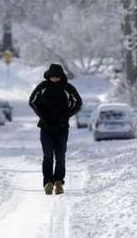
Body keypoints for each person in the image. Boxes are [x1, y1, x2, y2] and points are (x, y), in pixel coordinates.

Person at [29, 64, 82, 195]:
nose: (55, 79)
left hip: (62, 128)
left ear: (61, 76)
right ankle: (48, 182)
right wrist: (42, 115)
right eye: (52, 77)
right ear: (49, 76)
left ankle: (58, 181)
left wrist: (66, 116)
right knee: (47, 155)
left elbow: (78, 103)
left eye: (57, 77)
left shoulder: (67, 88)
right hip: (45, 127)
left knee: (60, 155)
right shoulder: (43, 87)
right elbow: (32, 101)